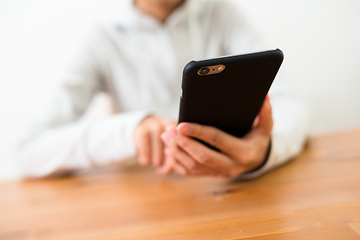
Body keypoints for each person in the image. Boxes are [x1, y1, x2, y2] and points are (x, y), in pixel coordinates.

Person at [17, 0, 311, 179]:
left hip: (231, 190)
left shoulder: (222, 14)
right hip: (143, 198)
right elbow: (29, 149)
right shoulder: (101, 38)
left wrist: (264, 152)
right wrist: (129, 131)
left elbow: (290, 105)